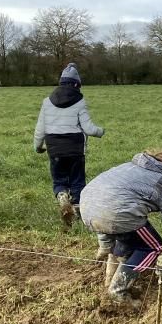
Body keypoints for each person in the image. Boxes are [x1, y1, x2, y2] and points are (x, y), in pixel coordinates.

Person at [79, 149, 162, 306]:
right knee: (153, 247)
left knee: (129, 235)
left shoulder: (128, 167)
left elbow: (102, 199)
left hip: (86, 206)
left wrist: (105, 246)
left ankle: (110, 276)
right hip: (114, 213)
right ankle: (117, 291)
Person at [33, 62, 104, 227]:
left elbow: (40, 128)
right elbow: (88, 128)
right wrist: (101, 131)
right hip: (75, 148)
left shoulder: (47, 101)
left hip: (54, 148)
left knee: (59, 180)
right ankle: (78, 213)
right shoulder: (80, 101)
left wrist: (38, 146)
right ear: (77, 84)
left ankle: (62, 196)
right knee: (77, 181)